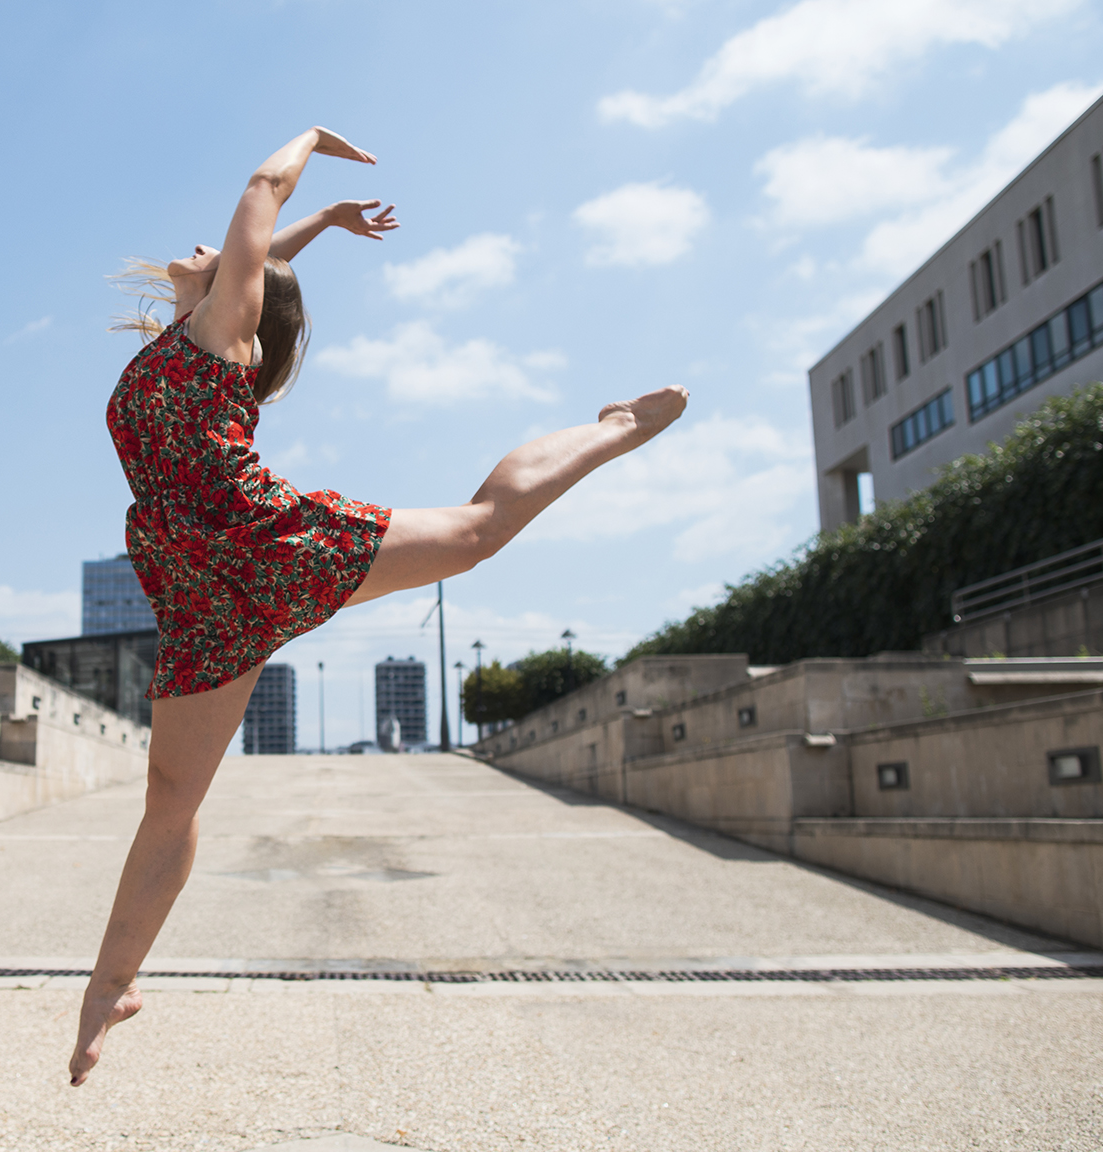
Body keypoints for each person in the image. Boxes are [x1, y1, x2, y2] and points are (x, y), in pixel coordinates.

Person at [73, 127, 688, 1086]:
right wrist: (325, 219)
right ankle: (114, 981)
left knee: (477, 532)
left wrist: (310, 139)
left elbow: (256, 191)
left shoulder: (219, 330)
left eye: (221, 252)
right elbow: (265, 252)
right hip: (201, 598)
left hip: (268, 546)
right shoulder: (202, 330)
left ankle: (612, 429)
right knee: (171, 801)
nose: (203, 248)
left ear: (238, 289)